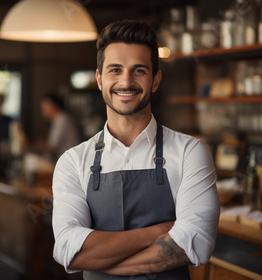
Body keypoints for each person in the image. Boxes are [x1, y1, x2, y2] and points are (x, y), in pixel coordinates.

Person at [52, 20, 220, 279]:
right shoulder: (73, 161)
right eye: (115, 70)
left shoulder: (190, 151)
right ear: (99, 79)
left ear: (155, 80)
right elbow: (69, 250)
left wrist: (102, 262)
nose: (126, 81)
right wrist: (160, 230)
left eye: (139, 70)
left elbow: (194, 244)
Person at [39, 93, 80, 161]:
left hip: (70, 162)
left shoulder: (62, 119)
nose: (43, 109)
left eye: (45, 105)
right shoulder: (58, 120)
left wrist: (34, 146)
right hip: (64, 160)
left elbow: (51, 147)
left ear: (54, 106)